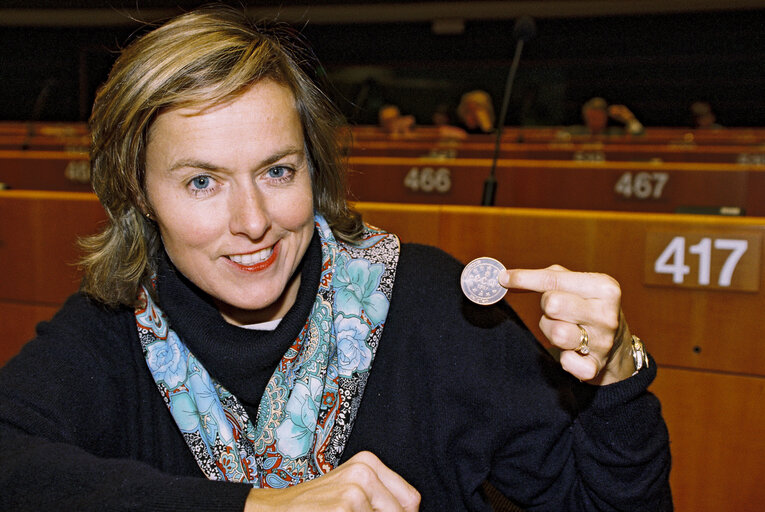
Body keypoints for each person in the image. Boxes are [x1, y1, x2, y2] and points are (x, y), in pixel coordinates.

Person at [0, 7, 672, 511]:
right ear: (137, 193)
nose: (253, 222)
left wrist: (616, 375)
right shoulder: (111, 325)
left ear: (312, 170)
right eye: (201, 181)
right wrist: (254, 505)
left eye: (276, 171)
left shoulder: (438, 308)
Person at [575, 96, 645, 136]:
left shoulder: (616, 134)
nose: (595, 120)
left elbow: (640, 136)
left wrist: (630, 120)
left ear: (605, 117)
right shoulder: (575, 133)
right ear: (585, 116)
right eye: (592, 117)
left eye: (598, 117)